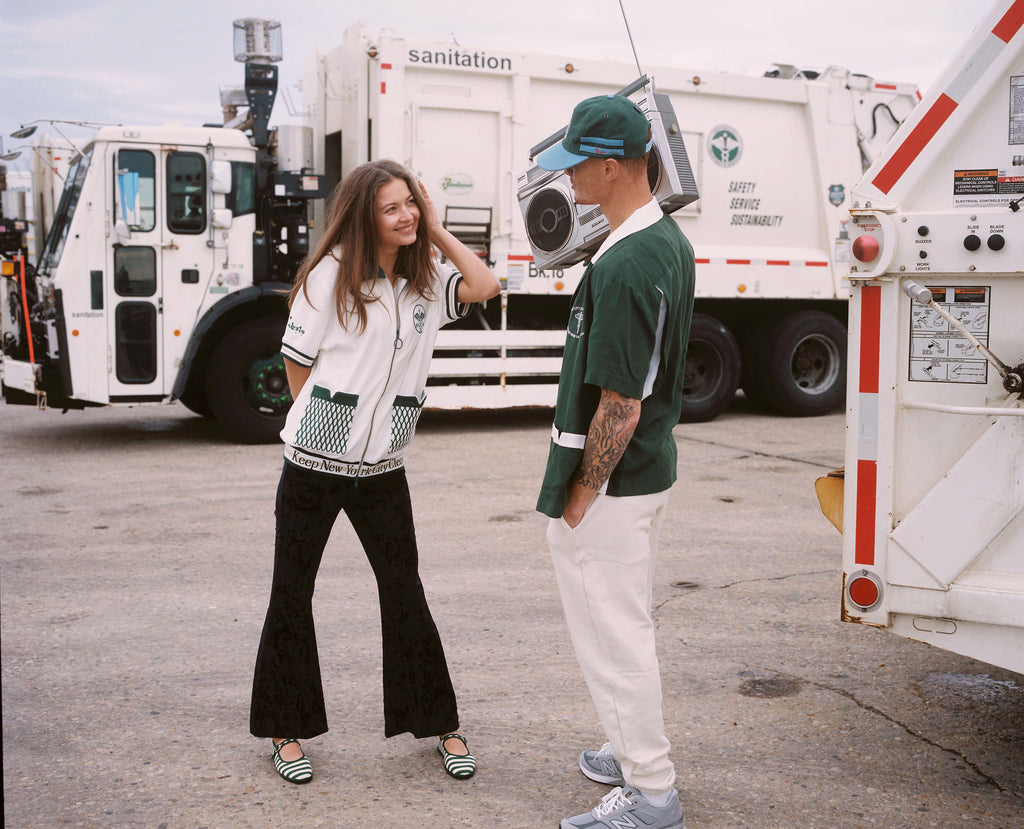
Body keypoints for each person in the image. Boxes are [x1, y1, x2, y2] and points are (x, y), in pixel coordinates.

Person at [249, 159, 501, 785]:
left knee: (404, 590)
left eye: (411, 202)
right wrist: (325, 426)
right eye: (392, 208)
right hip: (313, 467)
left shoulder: (424, 282)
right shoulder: (330, 277)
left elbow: (485, 284)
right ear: (366, 216)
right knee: (291, 592)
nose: (405, 215)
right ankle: (284, 731)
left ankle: (442, 725)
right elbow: (297, 362)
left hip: (385, 467)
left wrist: (436, 230)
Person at [534, 95, 695, 829]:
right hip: (647, 472)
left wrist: (581, 493)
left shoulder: (628, 262)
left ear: (610, 166)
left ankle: (651, 792)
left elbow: (621, 402)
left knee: (614, 636)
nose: (565, 179)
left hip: (616, 486)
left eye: (575, 164)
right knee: (624, 623)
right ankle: (627, 748)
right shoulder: (663, 238)